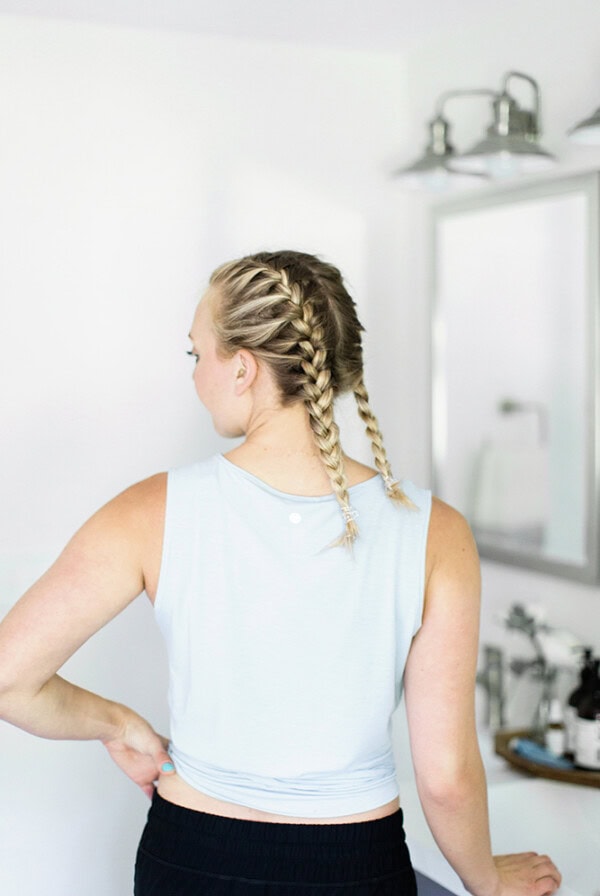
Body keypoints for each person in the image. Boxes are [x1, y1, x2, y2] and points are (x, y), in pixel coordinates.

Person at [0, 250, 561, 896]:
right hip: (356, 864)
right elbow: (445, 776)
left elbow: (10, 677)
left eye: (196, 355)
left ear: (241, 368)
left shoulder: (150, 511)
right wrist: (488, 879)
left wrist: (117, 723)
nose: (194, 375)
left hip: (193, 858)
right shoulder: (437, 533)